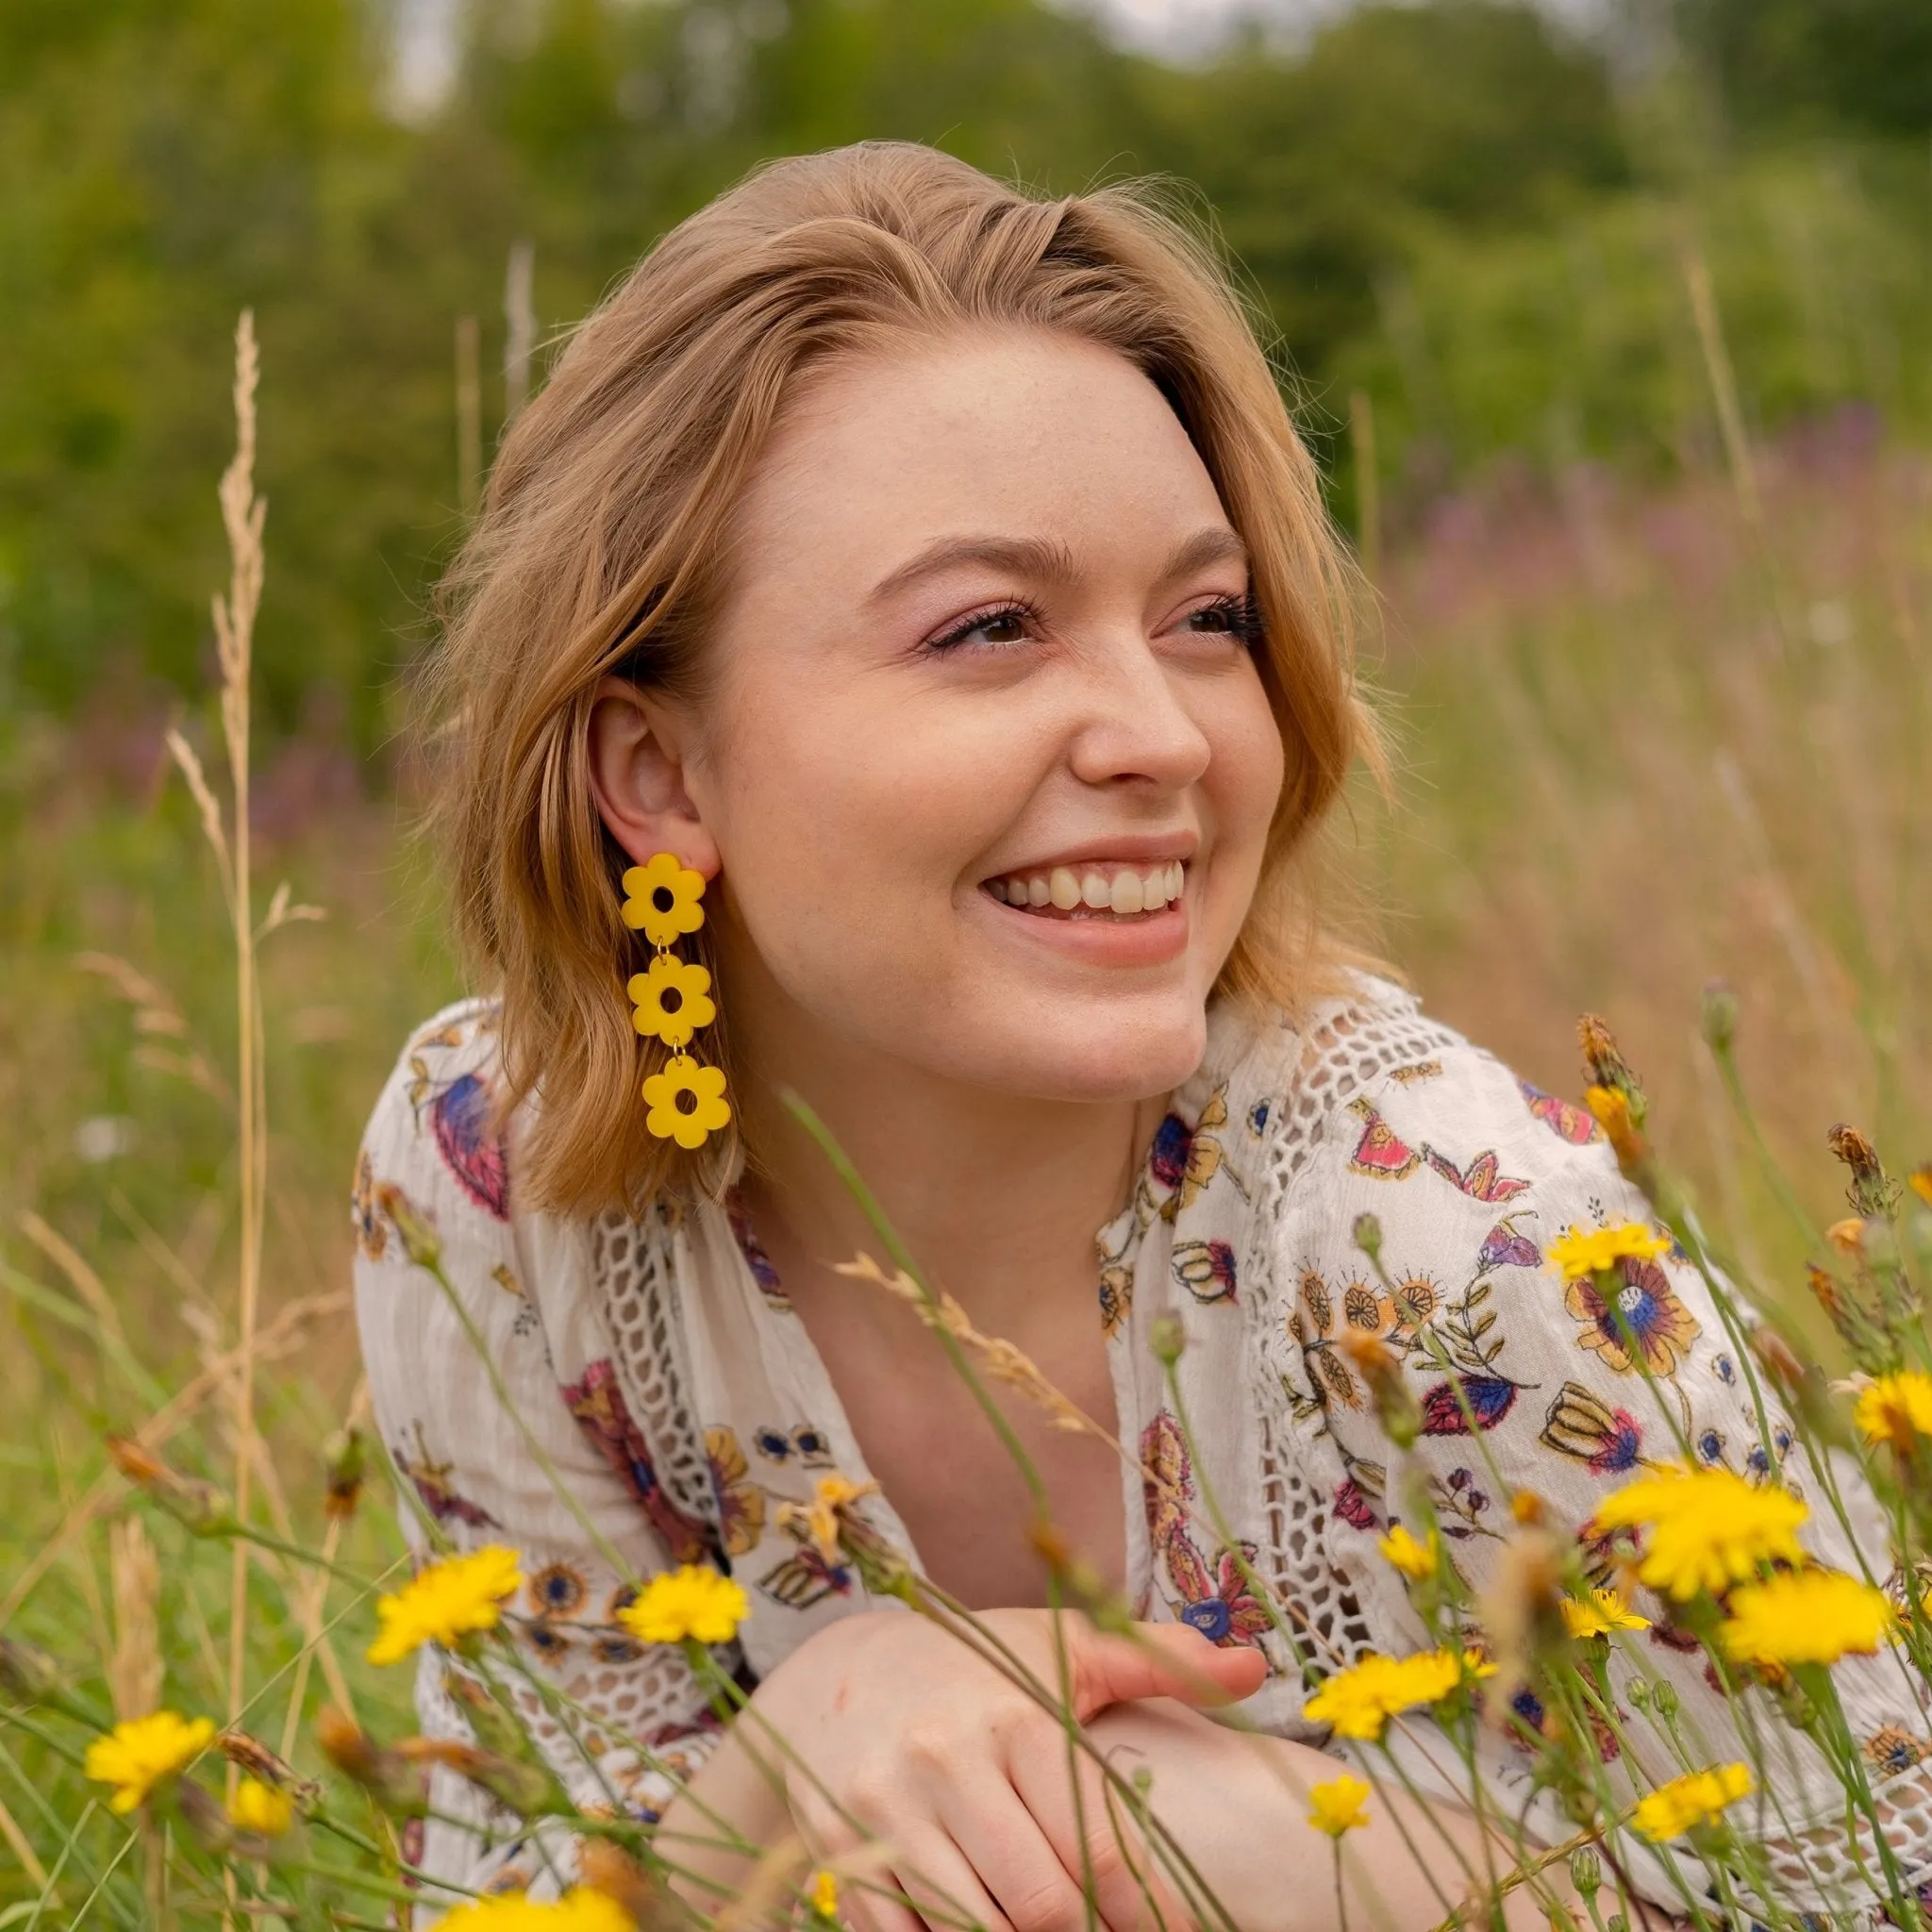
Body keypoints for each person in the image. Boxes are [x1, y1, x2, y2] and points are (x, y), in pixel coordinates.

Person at [352, 142, 1924, 1930]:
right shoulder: (496, 1180)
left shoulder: (1457, 1244)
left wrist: (1237, 1843)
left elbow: (1864, 1884)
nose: (1162, 736)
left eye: (1207, 621)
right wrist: (794, 1752)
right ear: (658, 769)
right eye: (992, 629)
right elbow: (507, 1878)